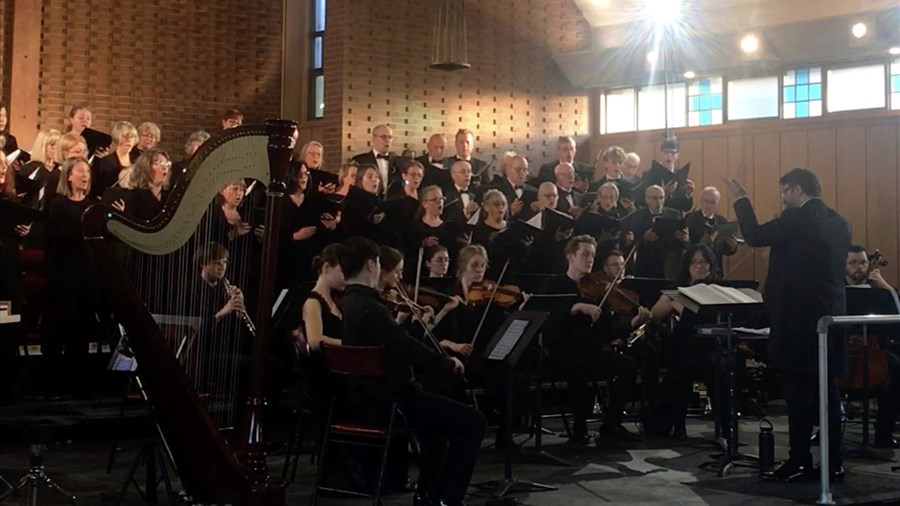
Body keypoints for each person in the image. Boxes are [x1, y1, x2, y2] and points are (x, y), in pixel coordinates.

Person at [724, 167, 851, 483]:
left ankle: (799, 460)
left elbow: (753, 235)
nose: (782, 200)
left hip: (798, 322)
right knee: (829, 394)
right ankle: (834, 463)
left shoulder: (798, 220)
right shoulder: (839, 223)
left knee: (798, 395)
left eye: (784, 193)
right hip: (831, 319)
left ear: (797, 191)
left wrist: (741, 198)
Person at [339, 236, 485, 506]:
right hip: (391, 403)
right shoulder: (371, 309)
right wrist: (444, 362)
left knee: (439, 413)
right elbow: (406, 348)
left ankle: (429, 493)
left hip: (366, 399)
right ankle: (447, 498)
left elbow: (398, 345)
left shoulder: (352, 304)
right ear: (372, 265)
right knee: (473, 422)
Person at [536, 235, 641, 444]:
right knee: (579, 366)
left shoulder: (597, 287)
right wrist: (575, 308)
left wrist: (631, 324)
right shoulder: (554, 284)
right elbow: (542, 318)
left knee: (628, 365)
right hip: (560, 350)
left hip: (591, 349)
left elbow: (607, 331)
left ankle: (611, 423)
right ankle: (579, 427)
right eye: (584, 254)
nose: (590, 259)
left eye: (592, 255)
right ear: (570, 257)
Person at [650, 244, 722, 439]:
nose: (699, 266)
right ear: (688, 266)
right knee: (680, 369)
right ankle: (678, 426)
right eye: (695, 262)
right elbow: (654, 315)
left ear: (710, 265)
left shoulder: (717, 290)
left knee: (725, 366)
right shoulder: (677, 291)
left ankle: (723, 427)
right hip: (684, 347)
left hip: (709, 347)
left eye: (704, 262)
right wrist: (672, 303)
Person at [44, 157, 100, 398]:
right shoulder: (57, 204)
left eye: (87, 171)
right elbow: (55, 240)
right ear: (68, 176)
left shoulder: (92, 206)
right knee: (60, 328)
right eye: (80, 171)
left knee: (82, 328)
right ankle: (53, 384)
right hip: (63, 274)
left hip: (86, 275)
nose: (85, 175)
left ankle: (78, 384)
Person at [844, 245, 899, 448]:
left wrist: (887, 288)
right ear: (843, 266)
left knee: (895, 369)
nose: (859, 267)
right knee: (819, 368)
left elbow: (897, 319)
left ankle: (883, 433)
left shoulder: (879, 291)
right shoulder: (834, 290)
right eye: (853, 263)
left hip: (873, 349)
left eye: (863, 262)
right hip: (842, 347)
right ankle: (827, 428)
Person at [629, 184, 689, 279]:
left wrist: (685, 239)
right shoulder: (637, 216)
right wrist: (644, 238)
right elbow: (632, 241)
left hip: (670, 265)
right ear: (646, 199)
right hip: (646, 265)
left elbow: (684, 243)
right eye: (655, 198)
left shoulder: (675, 215)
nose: (659, 201)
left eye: (661, 198)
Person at [683, 186, 738, 275]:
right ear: (701, 200)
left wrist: (732, 247)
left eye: (712, 202)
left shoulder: (722, 221)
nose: (708, 205)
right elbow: (685, 246)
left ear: (717, 204)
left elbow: (726, 250)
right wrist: (701, 244)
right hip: (695, 268)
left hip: (716, 269)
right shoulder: (690, 218)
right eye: (706, 201)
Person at [642, 137, 695, 213]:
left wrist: (688, 194)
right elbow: (642, 202)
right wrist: (663, 192)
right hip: (656, 217)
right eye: (666, 152)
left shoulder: (681, 174)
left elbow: (686, 207)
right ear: (661, 153)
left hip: (676, 218)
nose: (669, 156)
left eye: (673, 153)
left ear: (677, 155)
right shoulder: (649, 174)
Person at [91, 121, 138, 199]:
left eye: (132, 137)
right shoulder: (105, 162)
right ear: (117, 137)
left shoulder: (137, 161)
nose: (129, 140)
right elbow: (98, 189)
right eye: (125, 137)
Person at [351, 124, 397, 196]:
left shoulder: (398, 161)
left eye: (390, 137)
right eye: (383, 137)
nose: (387, 140)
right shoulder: (360, 160)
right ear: (373, 139)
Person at [490, 153, 535, 219]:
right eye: (518, 169)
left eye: (525, 170)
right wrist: (510, 211)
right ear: (508, 169)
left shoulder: (534, 192)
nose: (522, 173)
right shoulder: (496, 191)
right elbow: (490, 216)